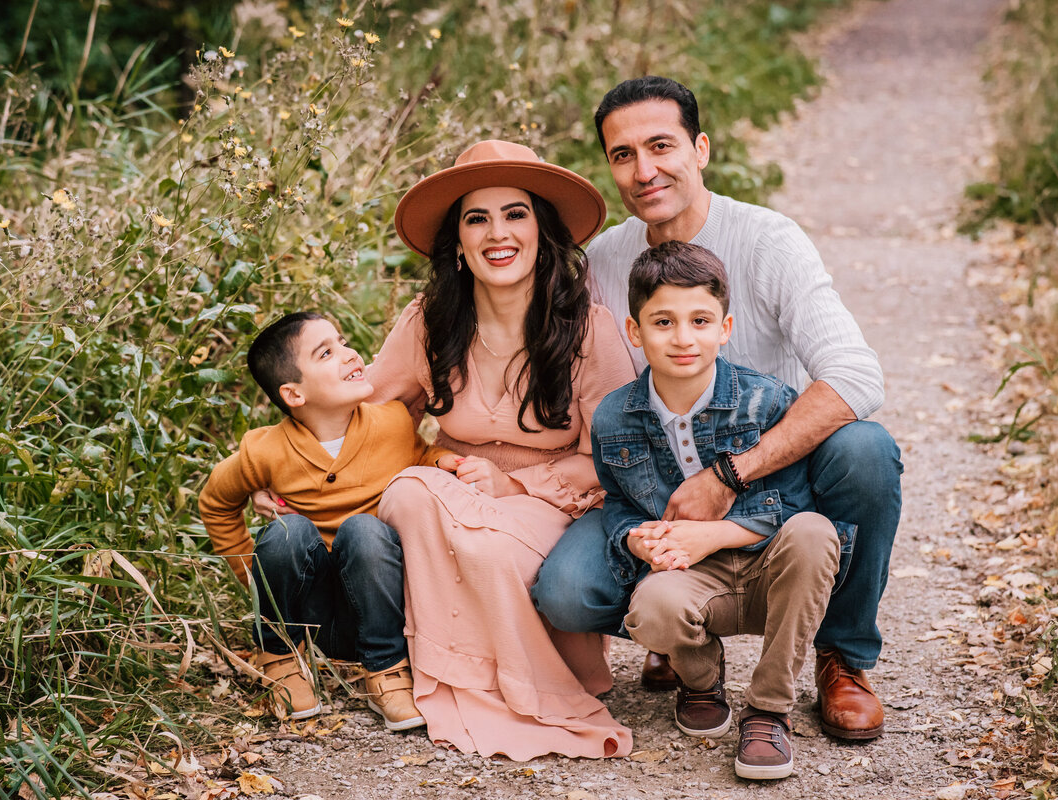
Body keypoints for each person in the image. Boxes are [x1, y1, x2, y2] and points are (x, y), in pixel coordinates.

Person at [532, 75, 903, 741]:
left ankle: (841, 654)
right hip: (654, 486)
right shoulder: (605, 261)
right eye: (623, 155)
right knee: (567, 589)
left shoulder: (768, 241)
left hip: (770, 472)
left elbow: (855, 374)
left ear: (700, 148)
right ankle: (677, 634)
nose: (644, 171)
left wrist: (729, 476)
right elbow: (568, 379)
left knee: (865, 450)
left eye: (661, 146)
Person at [365, 140, 636, 759]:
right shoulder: (428, 322)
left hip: (550, 502)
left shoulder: (587, 329)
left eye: (515, 214)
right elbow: (372, 418)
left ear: (542, 231)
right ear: (457, 244)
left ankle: (529, 687)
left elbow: (614, 458)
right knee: (410, 492)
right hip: (447, 489)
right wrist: (303, 472)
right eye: (476, 218)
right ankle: (466, 672)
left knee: (483, 545)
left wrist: (511, 485)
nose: (497, 233)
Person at [594, 241, 845, 779]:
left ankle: (768, 709)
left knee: (814, 532)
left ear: (725, 327)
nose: (683, 338)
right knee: (653, 605)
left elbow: (794, 506)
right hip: (691, 579)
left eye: (700, 320)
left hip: (769, 573)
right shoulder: (613, 418)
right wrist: (633, 539)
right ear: (634, 333)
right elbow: (616, 501)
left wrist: (712, 535)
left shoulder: (769, 401)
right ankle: (701, 680)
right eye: (663, 321)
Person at [198, 311, 458, 730]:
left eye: (343, 341)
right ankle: (280, 658)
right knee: (289, 531)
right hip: (309, 614)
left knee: (364, 529)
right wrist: (251, 574)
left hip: (378, 607)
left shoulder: (391, 422)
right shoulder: (264, 450)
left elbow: (422, 456)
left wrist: (447, 462)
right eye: (326, 352)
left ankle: (386, 670)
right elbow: (215, 503)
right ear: (294, 394)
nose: (349, 354)